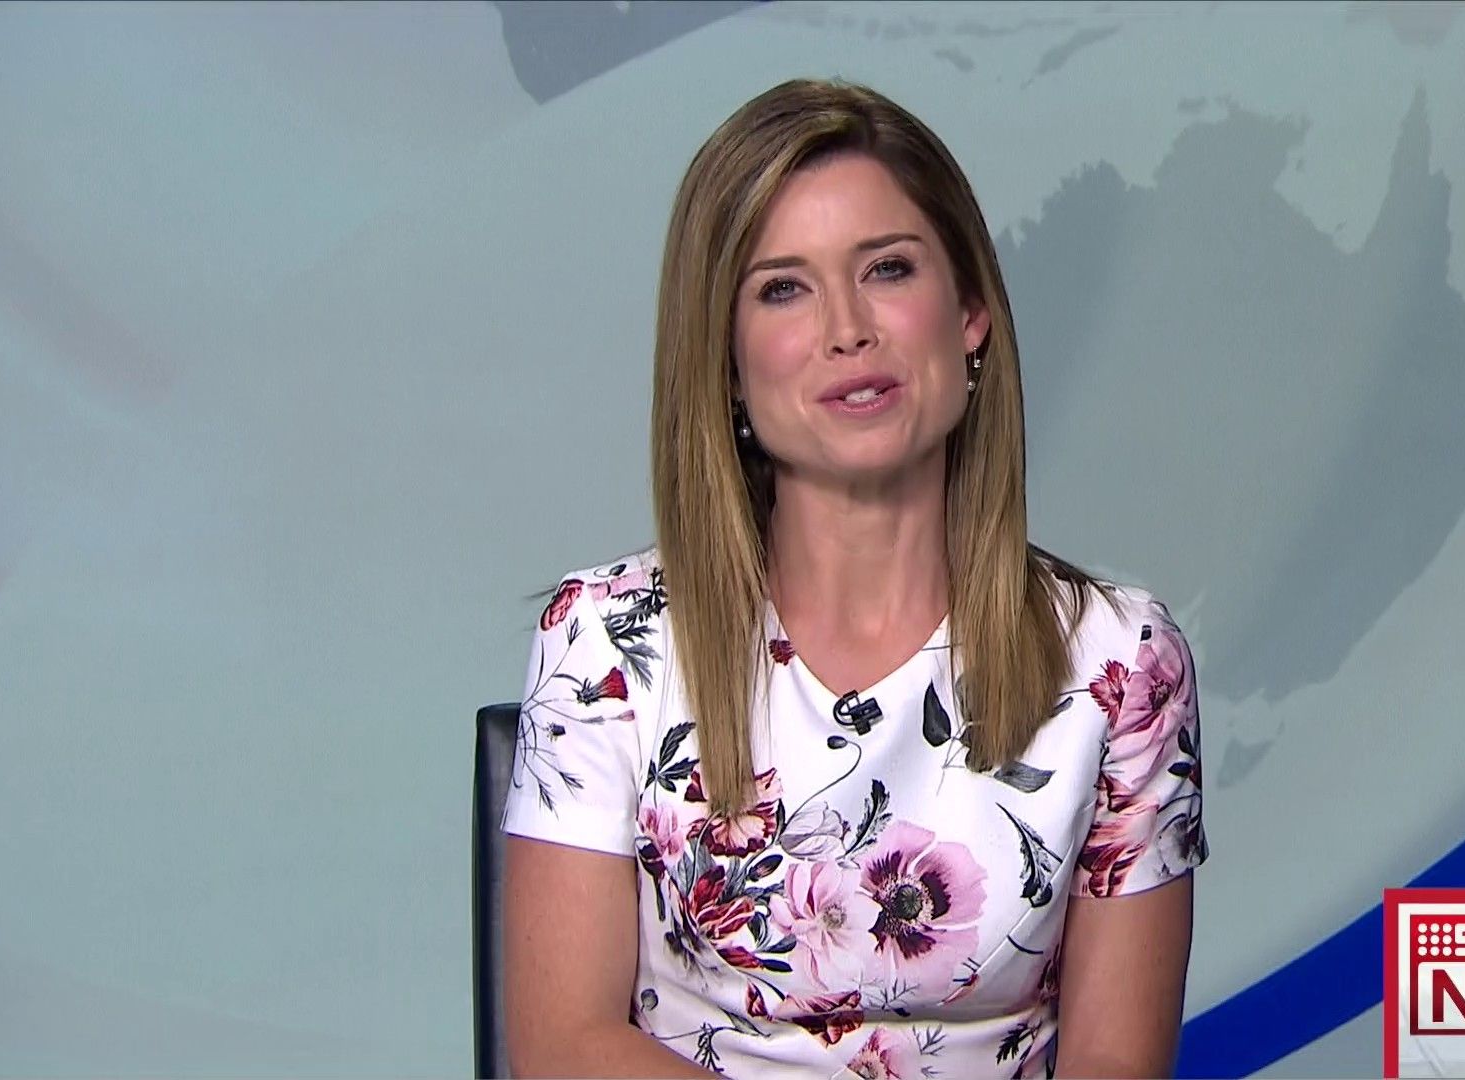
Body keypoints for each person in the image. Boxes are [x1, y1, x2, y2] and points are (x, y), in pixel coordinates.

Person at [501, 78, 1207, 1079]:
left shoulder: (1121, 665)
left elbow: (1114, 1065)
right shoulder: (606, 642)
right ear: (727, 362)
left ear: (969, 313)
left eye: (887, 269)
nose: (847, 329)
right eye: (783, 288)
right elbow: (563, 1047)